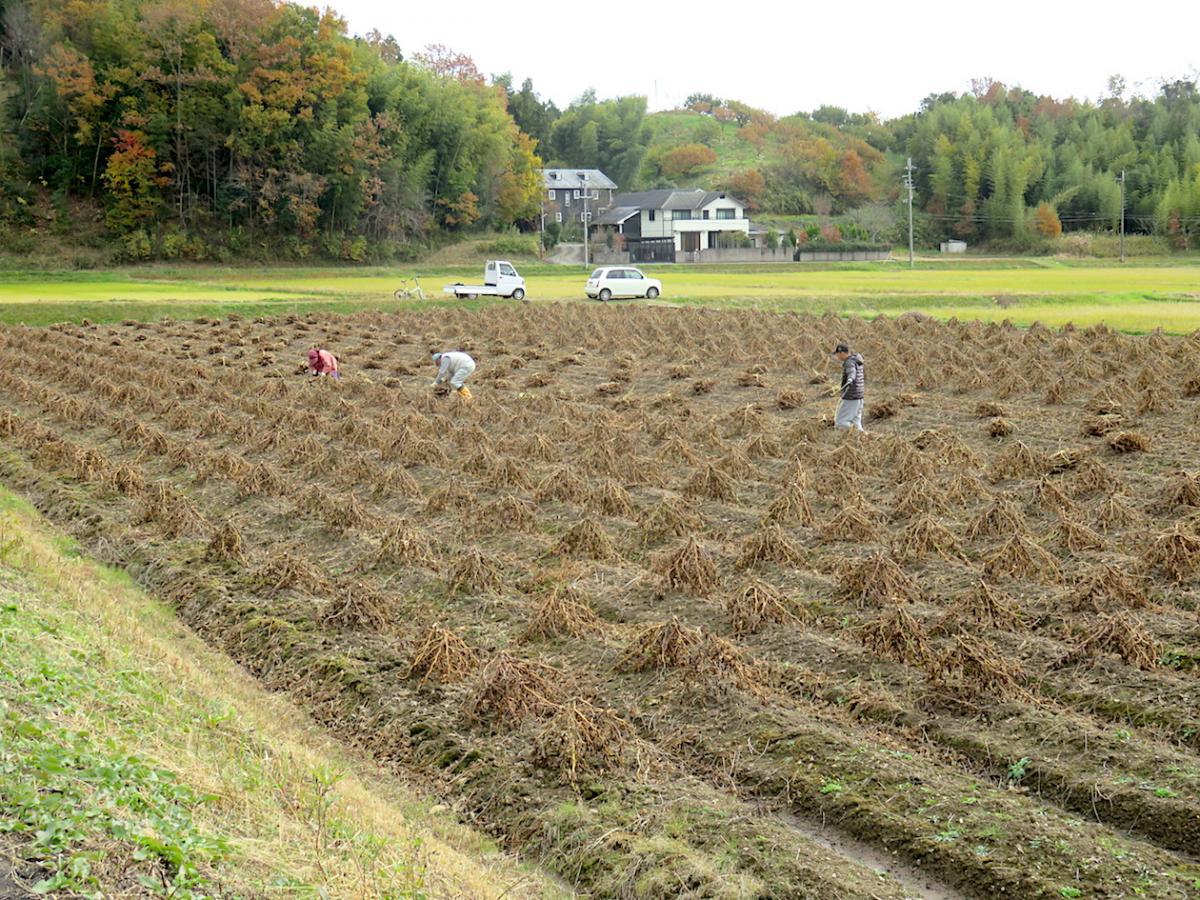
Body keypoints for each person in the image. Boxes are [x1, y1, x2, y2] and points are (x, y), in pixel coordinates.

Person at [832, 342, 865, 431]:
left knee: (840, 422)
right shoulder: (856, 360)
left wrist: (850, 380)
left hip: (851, 396)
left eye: (837, 354)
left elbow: (852, 372)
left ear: (842, 353)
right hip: (859, 396)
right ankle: (864, 438)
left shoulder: (849, 362)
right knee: (856, 422)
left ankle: (853, 433)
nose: (837, 357)